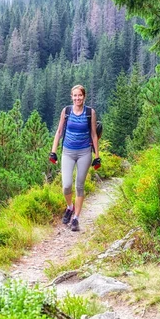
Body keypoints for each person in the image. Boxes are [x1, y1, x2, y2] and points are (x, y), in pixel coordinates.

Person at [49, 85, 101, 232]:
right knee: (66, 185)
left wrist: (97, 156)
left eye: (80, 95)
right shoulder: (66, 111)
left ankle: (76, 219)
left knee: (79, 185)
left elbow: (93, 134)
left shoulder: (90, 113)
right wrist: (53, 152)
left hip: (84, 152)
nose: (77, 98)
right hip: (68, 152)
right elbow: (59, 132)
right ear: (71, 97)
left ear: (84, 97)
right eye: (75, 96)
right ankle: (70, 207)